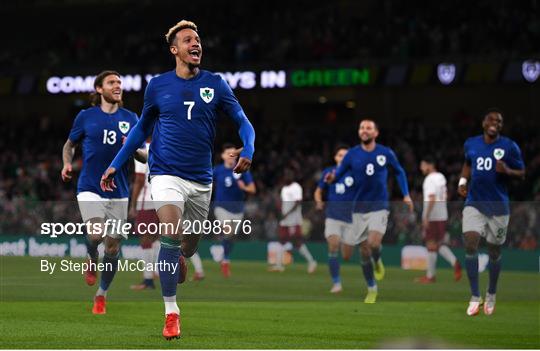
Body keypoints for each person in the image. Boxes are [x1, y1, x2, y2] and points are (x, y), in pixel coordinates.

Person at [100, 20, 255, 339]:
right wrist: (116, 163)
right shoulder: (157, 85)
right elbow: (141, 130)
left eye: (198, 40)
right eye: (188, 40)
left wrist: (249, 147)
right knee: (169, 234)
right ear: (175, 50)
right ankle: (172, 313)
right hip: (165, 173)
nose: (196, 44)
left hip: (201, 180)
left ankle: (181, 256)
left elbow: (242, 120)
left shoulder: (217, 83)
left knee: (187, 245)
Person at [61, 70, 145, 314]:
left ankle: (101, 294)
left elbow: (142, 154)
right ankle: (90, 256)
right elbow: (69, 145)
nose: (118, 85)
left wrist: (131, 147)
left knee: (112, 249)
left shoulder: (131, 118)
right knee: (96, 234)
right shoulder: (86, 116)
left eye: (119, 82)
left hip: (119, 191)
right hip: (90, 186)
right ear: (99, 89)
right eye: (112, 82)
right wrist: (67, 163)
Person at [326, 119, 413, 304]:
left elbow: (399, 171)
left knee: (373, 243)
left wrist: (406, 194)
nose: (365, 130)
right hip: (358, 209)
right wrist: (331, 178)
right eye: (362, 128)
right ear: (359, 132)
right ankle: (372, 288)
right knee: (364, 251)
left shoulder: (385, 152)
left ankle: (378, 260)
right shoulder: (351, 155)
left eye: (369, 128)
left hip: (379, 206)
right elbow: (338, 175)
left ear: (376, 133)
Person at [458, 108, 524, 316]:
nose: (495, 122)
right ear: (484, 122)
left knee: (494, 250)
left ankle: (492, 293)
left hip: (498, 207)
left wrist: (508, 171)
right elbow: (468, 164)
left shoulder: (509, 146)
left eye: (500, 120)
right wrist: (462, 181)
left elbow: (522, 173)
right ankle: (475, 296)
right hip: (474, 203)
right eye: (492, 119)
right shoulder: (471, 143)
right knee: (470, 242)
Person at [314, 144, 356, 293]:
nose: (342, 158)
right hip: (333, 216)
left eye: (346, 155)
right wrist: (319, 201)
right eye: (340, 155)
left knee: (346, 255)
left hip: (351, 218)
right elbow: (318, 191)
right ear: (335, 157)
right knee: (333, 245)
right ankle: (336, 283)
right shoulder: (328, 172)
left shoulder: (355, 173)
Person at [415, 155, 461, 284]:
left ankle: (431, 276)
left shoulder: (429, 179)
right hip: (442, 214)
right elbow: (445, 196)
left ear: (430, 165)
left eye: (423, 165)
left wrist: (426, 216)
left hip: (434, 216)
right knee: (436, 244)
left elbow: (432, 198)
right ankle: (453, 263)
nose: (421, 168)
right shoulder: (441, 177)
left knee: (430, 244)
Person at [212, 143, 256, 278]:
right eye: (229, 154)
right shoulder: (217, 170)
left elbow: (253, 189)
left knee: (231, 238)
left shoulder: (243, 170)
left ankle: (222, 254)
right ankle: (226, 261)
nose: (232, 156)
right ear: (223, 156)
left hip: (238, 210)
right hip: (221, 207)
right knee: (228, 231)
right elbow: (206, 182)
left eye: (234, 154)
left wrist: (244, 188)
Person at [269, 170, 317, 273]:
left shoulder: (296, 187)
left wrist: (287, 213)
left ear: (292, 177)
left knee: (297, 242)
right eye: (285, 175)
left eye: (288, 175)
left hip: (293, 220)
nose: (286, 177)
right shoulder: (284, 188)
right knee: (281, 241)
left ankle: (312, 262)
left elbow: (298, 203)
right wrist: (282, 211)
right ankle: (278, 265)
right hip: (285, 220)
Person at [129, 138, 161, 290]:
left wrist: (133, 205)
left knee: (145, 239)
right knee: (155, 238)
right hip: (163, 199)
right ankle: (156, 272)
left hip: (147, 200)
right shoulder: (163, 146)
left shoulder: (142, 150)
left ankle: (148, 280)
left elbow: (140, 179)